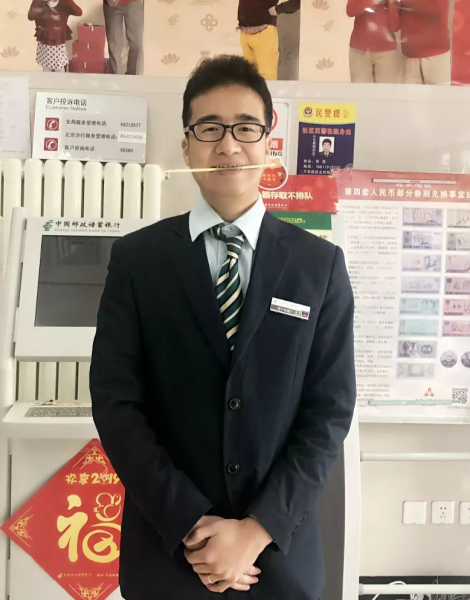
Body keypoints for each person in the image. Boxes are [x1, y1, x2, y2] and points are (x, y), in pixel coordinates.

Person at [90, 55, 356, 600]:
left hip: (278, 554)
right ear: (186, 145)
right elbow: (116, 405)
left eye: (245, 128)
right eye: (209, 129)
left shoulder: (318, 266)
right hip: (168, 552)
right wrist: (191, 523)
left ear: (268, 143)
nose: (228, 146)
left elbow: (329, 411)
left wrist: (255, 531)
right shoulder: (138, 260)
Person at [238, 0, 301, 80]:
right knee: (249, 77)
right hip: (244, 31)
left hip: (264, 32)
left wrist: (278, 9)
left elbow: (297, 2)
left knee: (267, 77)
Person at [346, 0, 400, 83]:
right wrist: (373, 1)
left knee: (386, 89)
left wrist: (391, 4)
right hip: (359, 49)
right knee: (360, 89)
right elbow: (350, 11)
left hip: (386, 51)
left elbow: (395, 27)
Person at [400, 0, 451, 85]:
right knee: (411, 93)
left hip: (436, 53)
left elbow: (437, 8)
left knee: (441, 92)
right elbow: (395, 26)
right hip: (410, 55)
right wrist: (392, 3)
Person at [28, 0, 83, 72]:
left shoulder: (64, 3)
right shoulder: (40, 3)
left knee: (59, 67)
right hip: (44, 41)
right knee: (46, 67)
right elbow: (31, 16)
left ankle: (59, 78)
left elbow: (79, 12)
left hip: (58, 41)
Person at [103, 0, 143, 75]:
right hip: (111, 5)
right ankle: (116, 78)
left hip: (133, 2)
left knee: (137, 43)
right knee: (114, 46)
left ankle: (133, 77)